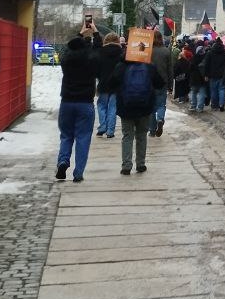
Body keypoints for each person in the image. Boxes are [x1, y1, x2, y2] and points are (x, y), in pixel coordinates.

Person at [103, 50, 165, 175]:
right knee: (142, 135)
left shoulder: (122, 66)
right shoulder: (149, 65)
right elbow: (160, 83)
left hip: (126, 107)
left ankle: (126, 166)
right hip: (145, 106)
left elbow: (111, 83)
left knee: (127, 136)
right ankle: (140, 164)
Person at [55, 25, 101, 183]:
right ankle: (78, 172)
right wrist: (94, 31)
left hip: (67, 101)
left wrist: (80, 33)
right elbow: (98, 49)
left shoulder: (66, 60)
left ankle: (63, 161)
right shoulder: (91, 60)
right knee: (83, 137)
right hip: (85, 103)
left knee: (66, 135)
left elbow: (66, 49)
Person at [94, 32, 124, 137]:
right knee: (113, 107)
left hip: (103, 83)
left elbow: (96, 69)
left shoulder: (100, 52)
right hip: (116, 85)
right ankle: (110, 131)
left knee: (101, 106)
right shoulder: (121, 52)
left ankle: (102, 126)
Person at [148, 32, 173, 137]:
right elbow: (170, 69)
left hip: (149, 82)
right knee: (161, 104)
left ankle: (152, 130)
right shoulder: (166, 51)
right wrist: (170, 85)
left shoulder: (148, 51)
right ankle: (160, 119)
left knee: (151, 107)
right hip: (162, 82)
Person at [202, 39, 225, 110]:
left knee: (213, 90)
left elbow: (206, 64)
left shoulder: (210, 53)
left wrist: (206, 74)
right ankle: (221, 105)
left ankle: (214, 105)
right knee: (222, 89)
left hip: (212, 75)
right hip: (222, 75)